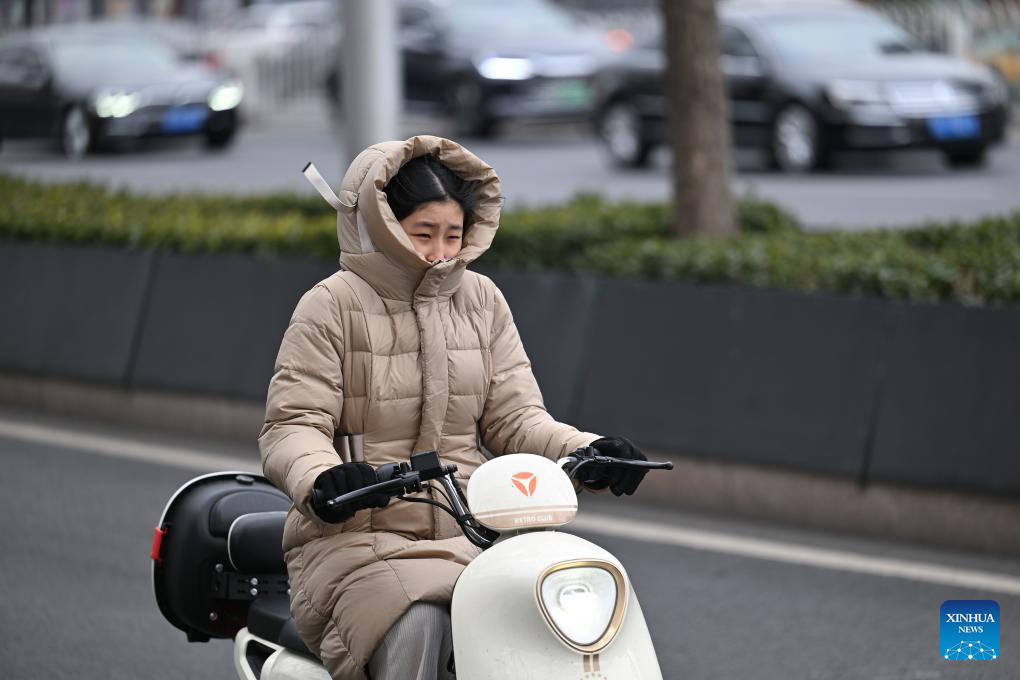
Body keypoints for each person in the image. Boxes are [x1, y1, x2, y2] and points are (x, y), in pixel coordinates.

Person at [258, 135, 648, 680]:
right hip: (358, 539)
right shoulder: (331, 304)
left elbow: (516, 420)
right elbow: (292, 427)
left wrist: (587, 450)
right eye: (423, 234)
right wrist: (325, 480)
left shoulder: (482, 299)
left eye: (453, 235)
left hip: (477, 533)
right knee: (417, 617)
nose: (441, 251)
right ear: (383, 225)